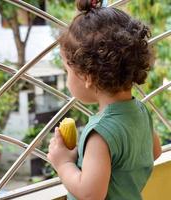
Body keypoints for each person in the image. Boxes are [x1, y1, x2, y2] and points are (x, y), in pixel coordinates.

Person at [47, 0, 162, 199]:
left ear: (86, 77)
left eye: (67, 72)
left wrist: (63, 163)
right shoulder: (140, 110)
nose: (67, 80)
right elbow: (155, 152)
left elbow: (91, 194)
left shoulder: (100, 133)